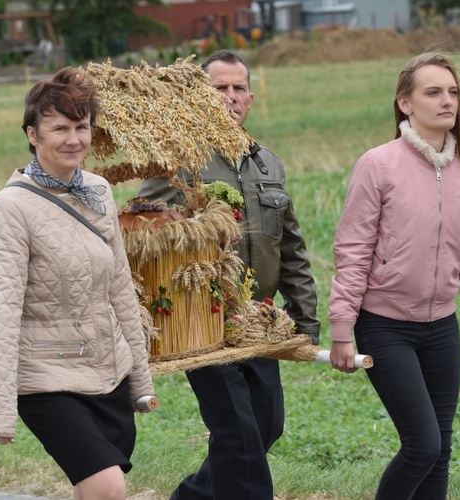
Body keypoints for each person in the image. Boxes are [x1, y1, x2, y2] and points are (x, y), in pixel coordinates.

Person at [328, 52, 460, 499]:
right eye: (433, 92)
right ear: (405, 104)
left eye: (452, 92)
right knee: (422, 445)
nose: (447, 100)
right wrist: (341, 327)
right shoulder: (378, 164)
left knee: (441, 449)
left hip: (442, 329)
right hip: (385, 326)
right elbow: (352, 250)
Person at [138, 49, 320, 500]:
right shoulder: (177, 160)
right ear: (198, 96)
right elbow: (142, 226)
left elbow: (291, 246)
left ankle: (192, 497)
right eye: (219, 88)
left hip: (257, 319)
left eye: (239, 88)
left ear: (251, 99)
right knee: (238, 434)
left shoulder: (268, 163)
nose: (230, 97)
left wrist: (305, 318)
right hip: (201, 319)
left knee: (265, 427)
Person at [0, 66, 156, 500]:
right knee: (107, 486)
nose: (73, 138)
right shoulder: (10, 209)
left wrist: (140, 378)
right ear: (32, 135)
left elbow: (119, 288)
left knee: (95, 490)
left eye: (82, 126)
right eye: (59, 128)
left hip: (106, 372)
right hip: (46, 379)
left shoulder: (97, 191)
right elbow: (1, 310)